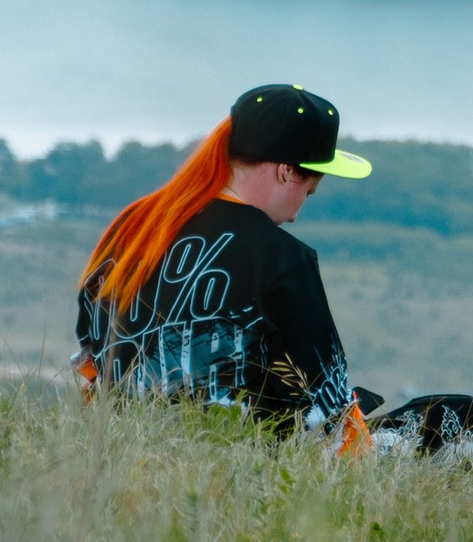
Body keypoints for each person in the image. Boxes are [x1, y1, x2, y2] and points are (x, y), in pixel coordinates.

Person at [77, 81, 373, 436]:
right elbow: (329, 408)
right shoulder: (281, 256)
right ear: (286, 171)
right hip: (231, 448)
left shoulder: (134, 224)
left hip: (118, 434)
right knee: (439, 415)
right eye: (308, 193)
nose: (295, 216)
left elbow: (90, 360)